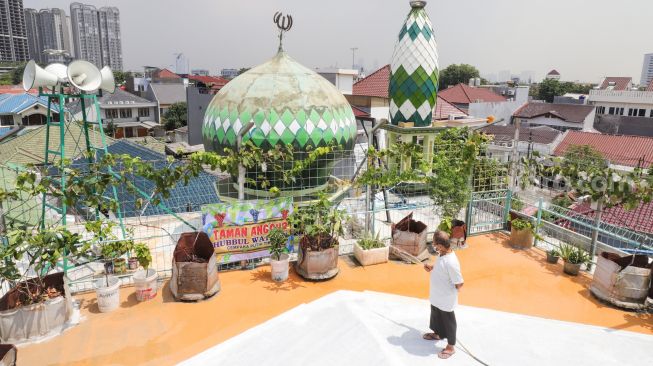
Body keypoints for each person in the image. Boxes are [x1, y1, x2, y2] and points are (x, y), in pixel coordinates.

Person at [423, 231, 464, 359]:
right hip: (437, 296)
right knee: (435, 315)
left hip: (446, 298)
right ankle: (438, 334)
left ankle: (451, 347)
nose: (434, 246)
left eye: (435, 244)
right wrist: (432, 268)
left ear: (440, 246)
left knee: (448, 321)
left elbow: (459, 283)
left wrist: (452, 291)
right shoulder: (443, 254)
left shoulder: (451, 262)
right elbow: (441, 267)